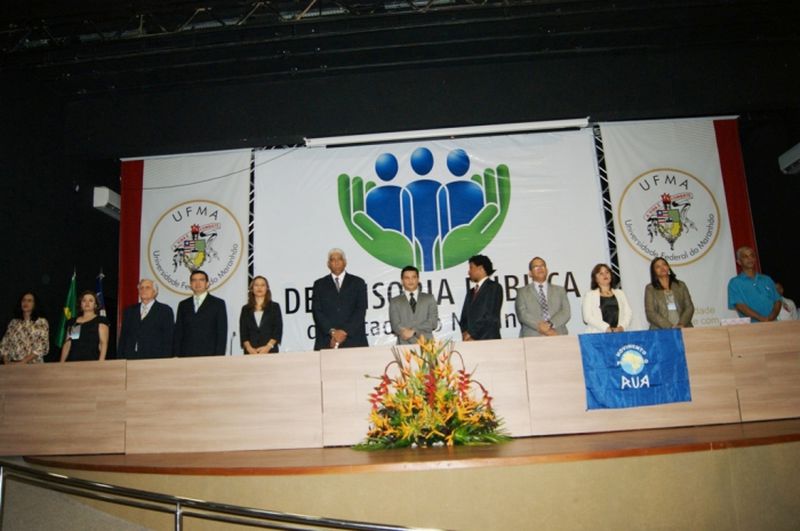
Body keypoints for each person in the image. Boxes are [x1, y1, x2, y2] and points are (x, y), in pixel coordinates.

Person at [311, 248, 368, 350]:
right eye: (333, 260)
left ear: (345, 262)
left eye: (339, 259)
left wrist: (344, 332)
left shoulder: (358, 283)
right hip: (327, 341)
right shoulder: (319, 285)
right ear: (328, 264)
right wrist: (333, 332)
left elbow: (360, 310)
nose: (336, 262)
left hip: (354, 340)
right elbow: (317, 311)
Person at [173, 270, 228, 356]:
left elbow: (221, 332)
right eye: (194, 280)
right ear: (190, 284)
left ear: (207, 284)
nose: (197, 283)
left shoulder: (218, 304)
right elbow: (179, 332)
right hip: (186, 355)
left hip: (209, 355)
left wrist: (218, 357)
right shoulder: (183, 305)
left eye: (201, 280)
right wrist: (176, 354)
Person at [118, 279, 175, 359]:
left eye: (147, 288)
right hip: (130, 358)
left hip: (155, 359)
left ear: (155, 292)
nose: (144, 290)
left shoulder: (165, 311)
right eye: (141, 288)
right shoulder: (129, 311)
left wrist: (165, 360)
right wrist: (120, 359)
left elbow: (168, 339)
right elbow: (123, 338)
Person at [515, 256, 570, 337]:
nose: (540, 268)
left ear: (547, 270)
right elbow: (522, 314)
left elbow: (566, 312)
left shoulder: (560, 290)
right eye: (536, 267)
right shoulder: (522, 292)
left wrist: (550, 324)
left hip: (557, 334)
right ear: (530, 273)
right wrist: (541, 328)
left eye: (542, 266)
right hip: (532, 337)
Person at [727, 246, 781, 323]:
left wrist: (771, 317)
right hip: (752, 326)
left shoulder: (766, 279)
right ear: (739, 261)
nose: (750, 258)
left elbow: (777, 300)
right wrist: (760, 318)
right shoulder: (735, 283)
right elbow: (740, 306)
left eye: (752, 255)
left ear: (755, 259)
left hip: (773, 323)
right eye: (745, 256)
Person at [389, 265, 439, 345]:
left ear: (418, 279)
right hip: (404, 346)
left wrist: (413, 331)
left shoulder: (429, 298)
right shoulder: (395, 301)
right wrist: (404, 332)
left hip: (427, 346)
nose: (410, 281)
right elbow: (395, 325)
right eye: (407, 278)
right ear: (402, 281)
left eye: (413, 277)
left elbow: (433, 322)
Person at [460, 254, 503, 341]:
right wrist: (465, 333)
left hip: (488, 339)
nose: (469, 272)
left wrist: (471, 334)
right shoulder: (470, 292)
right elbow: (464, 317)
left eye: (471, 267)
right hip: (470, 341)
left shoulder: (494, 287)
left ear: (480, 268)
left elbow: (490, 316)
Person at [644, 257, 695, 329]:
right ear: (654, 271)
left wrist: (681, 324)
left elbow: (689, 307)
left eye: (664, 264)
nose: (662, 268)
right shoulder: (650, 289)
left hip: (684, 327)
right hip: (660, 330)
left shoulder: (681, 285)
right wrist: (670, 326)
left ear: (668, 267)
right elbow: (650, 313)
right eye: (658, 267)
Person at [581, 263, 632, 333]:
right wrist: (606, 328)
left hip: (619, 333)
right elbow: (587, 317)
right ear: (596, 279)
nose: (605, 275)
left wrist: (622, 327)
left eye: (607, 272)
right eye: (601, 273)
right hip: (598, 334)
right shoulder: (590, 295)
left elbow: (628, 313)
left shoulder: (620, 293)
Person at [0, 291, 49, 364]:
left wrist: (22, 362)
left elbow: (42, 346)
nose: (25, 303)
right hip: (12, 365)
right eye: (23, 300)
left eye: (29, 301)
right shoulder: (14, 323)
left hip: (33, 366)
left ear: (35, 304)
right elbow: (4, 345)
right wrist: (6, 362)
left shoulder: (41, 322)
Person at [60, 290, 109, 361]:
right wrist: (61, 363)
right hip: (72, 363)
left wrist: (100, 363)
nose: (87, 303)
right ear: (80, 305)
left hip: (92, 363)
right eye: (84, 300)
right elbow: (68, 344)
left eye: (90, 300)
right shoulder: (73, 322)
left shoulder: (101, 320)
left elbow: (103, 343)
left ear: (95, 305)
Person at [239, 275, 283, 354]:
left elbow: (277, 330)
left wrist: (267, 347)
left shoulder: (275, 307)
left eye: (263, 285)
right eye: (256, 285)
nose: (259, 288)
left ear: (267, 288)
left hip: (270, 351)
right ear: (252, 288)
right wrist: (249, 349)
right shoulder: (245, 309)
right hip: (250, 352)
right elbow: (243, 332)